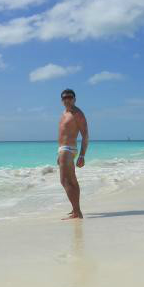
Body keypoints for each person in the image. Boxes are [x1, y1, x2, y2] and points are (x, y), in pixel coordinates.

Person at [57, 89, 89, 219]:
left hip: (68, 149)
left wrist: (82, 155)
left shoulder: (77, 114)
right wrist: (59, 154)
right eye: (64, 98)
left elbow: (85, 135)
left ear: (74, 99)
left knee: (65, 181)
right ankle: (76, 208)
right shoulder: (64, 113)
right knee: (72, 181)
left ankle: (77, 212)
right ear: (62, 100)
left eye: (70, 97)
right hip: (63, 150)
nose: (67, 100)